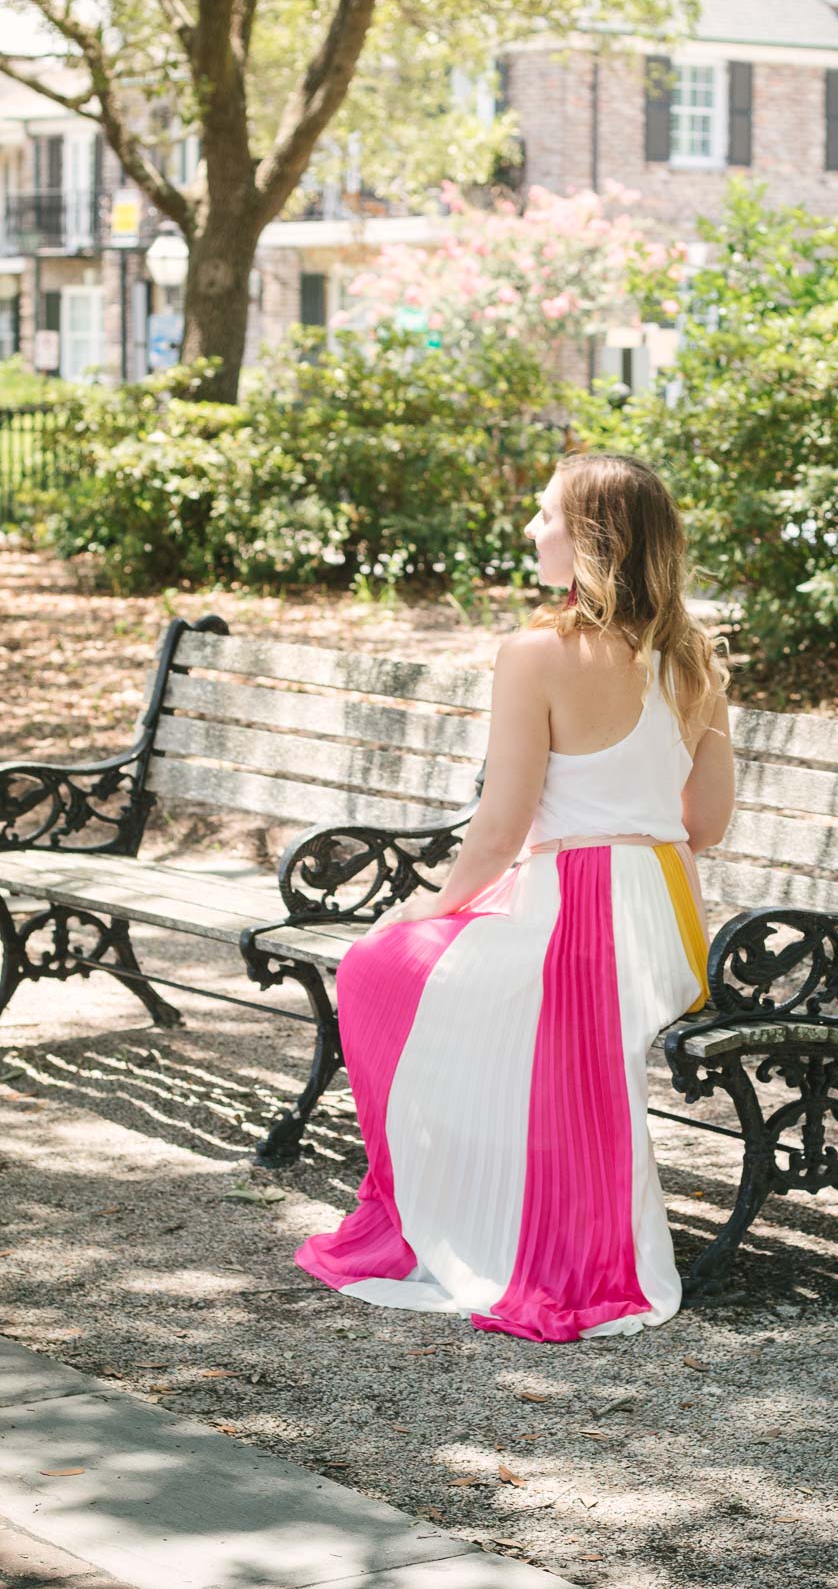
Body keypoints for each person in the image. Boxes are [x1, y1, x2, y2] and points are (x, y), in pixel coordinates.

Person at [294, 451, 736, 1342]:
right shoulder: (693, 660)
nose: (531, 531)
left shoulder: (536, 653)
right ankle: (492, 1184)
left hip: (579, 913)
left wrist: (431, 906)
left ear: (591, 541)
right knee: (461, 986)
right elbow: (705, 825)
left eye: (546, 516)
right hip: (668, 919)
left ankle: (462, 1208)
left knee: (381, 963)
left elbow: (499, 831)